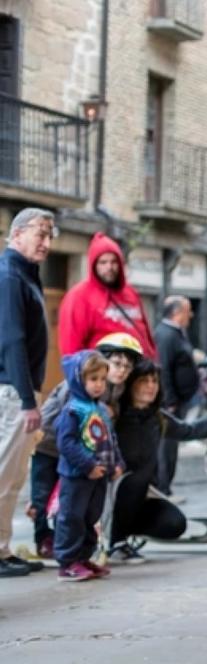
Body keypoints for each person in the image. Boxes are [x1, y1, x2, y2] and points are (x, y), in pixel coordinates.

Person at [29, 333, 140, 559]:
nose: (122, 371)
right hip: (49, 443)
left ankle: (66, 542)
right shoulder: (77, 386)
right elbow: (68, 419)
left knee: (66, 500)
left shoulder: (115, 388)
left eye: (127, 367)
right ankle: (44, 539)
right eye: (117, 363)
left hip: (76, 451)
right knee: (43, 495)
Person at [0, 208, 55, 578]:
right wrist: (26, 399)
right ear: (17, 234)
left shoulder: (23, 274)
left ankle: (3, 549)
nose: (46, 243)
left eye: (50, 235)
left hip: (16, 392)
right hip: (10, 393)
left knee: (13, 479)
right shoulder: (9, 275)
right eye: (40, 233)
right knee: (4, 477)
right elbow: (11, 340)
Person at [111, 359, 207, 563]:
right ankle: (115, 541)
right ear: (131, 384)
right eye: (144, 381)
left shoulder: (157, 418)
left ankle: (122, 532)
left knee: (175, 524)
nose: (151, 386)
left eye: (154, 381)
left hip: (141, 496)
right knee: (133, 479)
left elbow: (188, 431)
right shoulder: (115, 415)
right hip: (110, 495)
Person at [54, 351, 123, 582]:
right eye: (93, 379)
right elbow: (66, 443)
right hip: (77, 476)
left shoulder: (100, 409)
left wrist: (116, 463)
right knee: (72, 517)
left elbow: (110, 439)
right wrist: (88, 465)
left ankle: (82, 558)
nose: (99, 384)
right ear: (78, 380)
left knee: (90, 517)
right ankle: (67, 562)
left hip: (99, 476)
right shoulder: (73, 410)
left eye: (103, 379)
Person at [58, 231, 158, 359]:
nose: (109, 267)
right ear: (94, 264)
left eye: (114, 262)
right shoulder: (79, 296)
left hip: (138, 367)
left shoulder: (130, 293)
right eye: (103, 262)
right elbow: (70, 347)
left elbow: (146, 334)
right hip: (104, 368)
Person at [154, 296, 199, 495]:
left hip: (179, 400)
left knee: (171, 447)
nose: (191, 315)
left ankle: (165, 487)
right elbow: (163, 369)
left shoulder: (176, 333)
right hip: (170, 403)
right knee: (166, 447)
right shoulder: (166, 335)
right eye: (188, 311)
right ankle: (163, 489)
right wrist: (169, 400)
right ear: (177, 313)